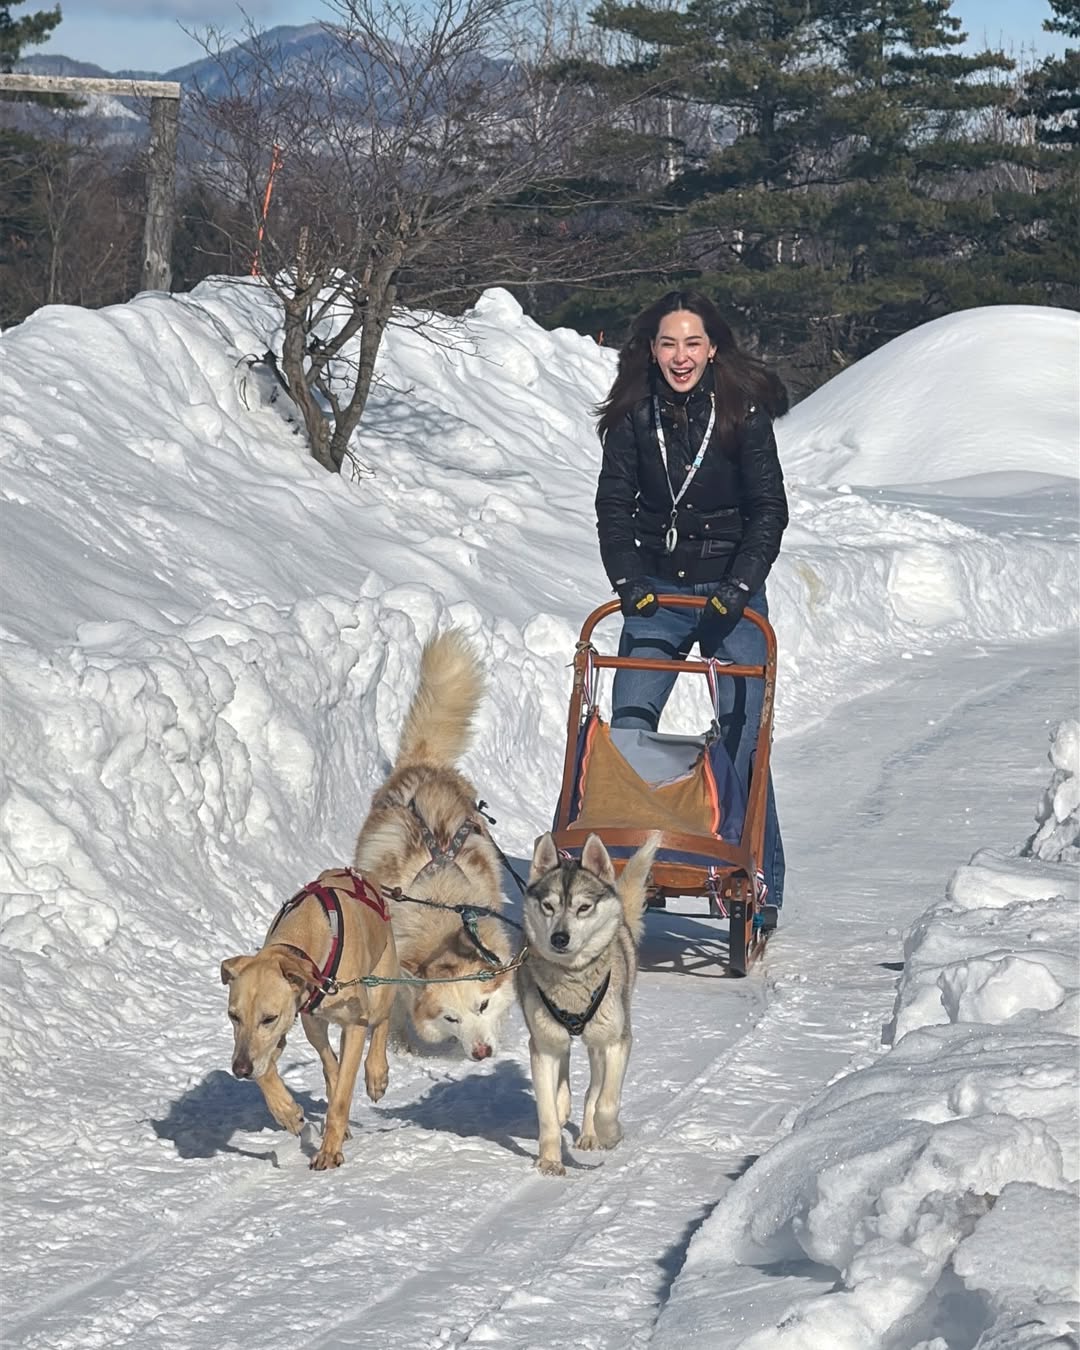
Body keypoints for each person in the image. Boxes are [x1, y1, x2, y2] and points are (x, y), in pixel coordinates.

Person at [594, 289, 788, 907]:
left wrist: (738, 586)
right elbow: (613, 508)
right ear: (651, 350)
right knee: (628, 726)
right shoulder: (633, 414)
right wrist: (628, 581)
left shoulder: (742, 412)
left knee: (742, 735)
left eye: (693, 343)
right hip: (658, 590)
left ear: (712, 349)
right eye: (669, 343)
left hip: (731, 590)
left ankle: (757, 879)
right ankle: (635, 859)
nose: (681, 356)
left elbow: (768, 511)